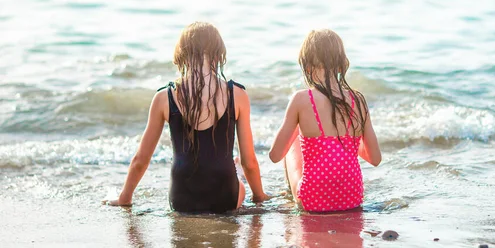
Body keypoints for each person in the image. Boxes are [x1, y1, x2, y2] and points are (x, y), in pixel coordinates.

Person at [106, 22, 268, 212]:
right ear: (218, 54)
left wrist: (124, 198)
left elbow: (141, 159)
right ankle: (236, 174)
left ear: (181, 54)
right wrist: (259, 196)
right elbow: (250, 162)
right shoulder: (237, 95)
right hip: (225, 198)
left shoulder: (164, 97)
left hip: (181, 199)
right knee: (238, 169)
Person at [269, 29, 381, 212]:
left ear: (307, 67)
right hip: (352, 198)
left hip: (313, 199)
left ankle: (289, 201)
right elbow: (375, 159)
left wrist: (297, 126)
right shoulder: (358, 100)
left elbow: (275, 155)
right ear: (341, 65)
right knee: (345, 143)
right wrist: (345, 142)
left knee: (293, 145)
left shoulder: (301, 99)